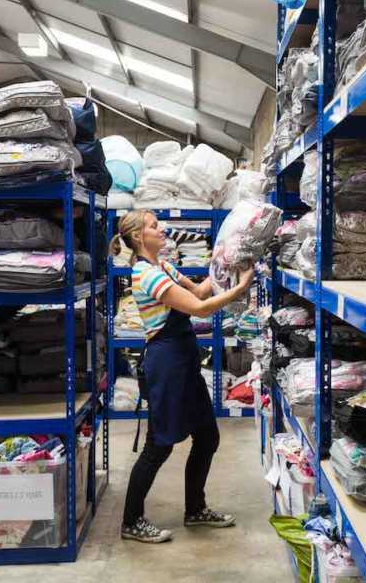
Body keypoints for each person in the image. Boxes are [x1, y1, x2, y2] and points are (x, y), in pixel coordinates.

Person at [110, 209, 255, 543]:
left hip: (184, 361)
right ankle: (131, 521)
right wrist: (241, 289)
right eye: (153, 226)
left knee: (207, 437)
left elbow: (202, 292)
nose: (162, 230)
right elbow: (199, 309)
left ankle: (195, 510)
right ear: (137, 237)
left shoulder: (164, 267)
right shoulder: (146, 274)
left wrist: (226, 263)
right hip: (166, 364)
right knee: (159, 445)